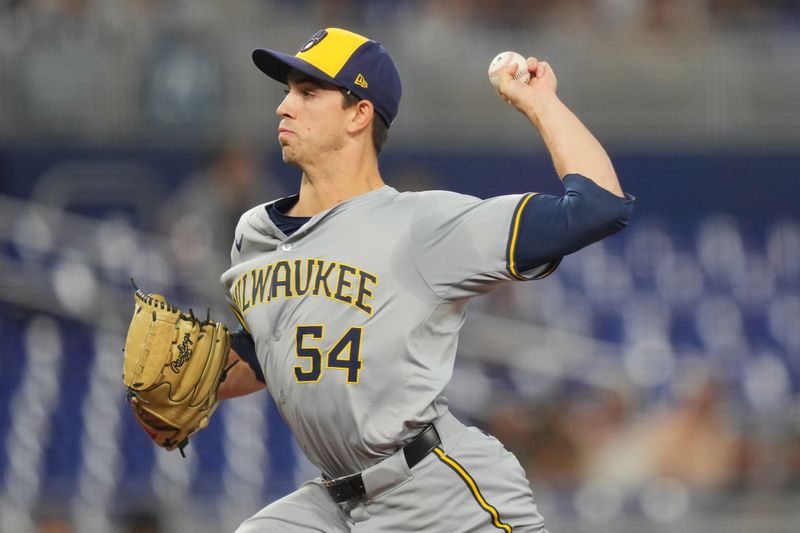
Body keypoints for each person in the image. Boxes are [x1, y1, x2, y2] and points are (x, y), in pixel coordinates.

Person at [217, 27, 634, 532]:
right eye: (287, 91)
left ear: (359, 114)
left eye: (308, 93)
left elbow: (597, 207)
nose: (284, 107)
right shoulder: (254, 235)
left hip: (438, 495)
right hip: (334, 501)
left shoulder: (422, 224)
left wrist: (540, 102)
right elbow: (265, 356)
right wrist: (190, 388)